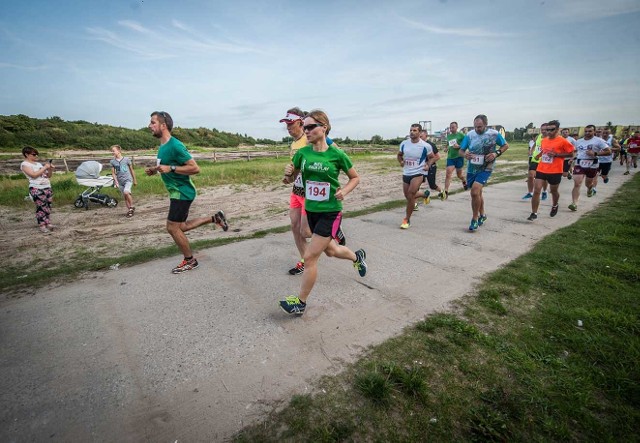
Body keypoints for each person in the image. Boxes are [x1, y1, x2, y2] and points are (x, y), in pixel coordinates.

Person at [279, 110, 367, 315]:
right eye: (305, 127)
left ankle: (300, 302)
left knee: (310, 257)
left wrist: (344, 191)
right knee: (332, 251)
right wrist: (287, 176)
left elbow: (355, 177)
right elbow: (293, 180)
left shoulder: (337, 155)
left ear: (324, 127)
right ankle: (357, 258)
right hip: (311, 210)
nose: (306, 131)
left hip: (331, 212)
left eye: (310, 127)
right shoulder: (303, 154)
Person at [144, 111, 229, 274]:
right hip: (176, 192)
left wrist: (172, 168)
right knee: (180, 226)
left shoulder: (175, 145)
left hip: (182, 193)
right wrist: (156, 170)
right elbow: (168, 166)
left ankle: (190, 260)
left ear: (163, 125)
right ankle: (215, 218)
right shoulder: (162, 147)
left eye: (153, 122)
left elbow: (195, 168)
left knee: (172, 228)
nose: (149, 126)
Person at [279, 107, 345, 276]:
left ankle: (333, 230)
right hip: (297, 190)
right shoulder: (294, 143)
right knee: (294, 226)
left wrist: (332, 180)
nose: (288, 127)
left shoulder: (312, 138)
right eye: (286, 124)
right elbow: (294, 171)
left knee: (306, 231)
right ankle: (304, 260)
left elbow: (334, 152)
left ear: (300, 123)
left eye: (290, 123)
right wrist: (288, 176)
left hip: (311, 194)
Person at [459, 114, 509, 231]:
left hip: (487, 167)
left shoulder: (494, 134)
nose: (477, 129)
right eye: (475, 127)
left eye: (480, 127)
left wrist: (496, 153)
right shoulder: (469, 135)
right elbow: (461, 151)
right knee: (478, 193)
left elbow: (505, 145)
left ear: (486, 125)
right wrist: (465, 154)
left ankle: (474, 219)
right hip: (472, 168)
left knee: (475, 192)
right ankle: (482, 215)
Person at [527, 120, 575, 220]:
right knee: (536, 190)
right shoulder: (544, 140)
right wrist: (538, 155)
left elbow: (571, 154)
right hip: (542, 168)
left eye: (551, 129)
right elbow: (544, 150)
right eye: (547, 129)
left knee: (553, 191)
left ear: (558, 129)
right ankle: (534, 213)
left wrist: (557, 155)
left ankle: (555, 205)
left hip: (555, 170)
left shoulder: (562, 141)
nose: (549, 132)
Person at [397, 124, 434, 229]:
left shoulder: (425, 146)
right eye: (411, 130)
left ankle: (407, 219)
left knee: (411, 193)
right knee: (408, 196)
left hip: (418, 172)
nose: (412, 132)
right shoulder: (404, 143)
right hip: (406, 172)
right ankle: (424, 194)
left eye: (414, 130)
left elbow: (432, 157)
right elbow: (399, 155)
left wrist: (428, 165)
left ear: (420, 132)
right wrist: (401, 161)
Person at [568, 124, 609, 211]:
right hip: (579, 163)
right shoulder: (579, 141)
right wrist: (572, 158)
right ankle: (574, 203)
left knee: (588, 184)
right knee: (577, 183)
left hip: (592, 164)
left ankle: (590, 188)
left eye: (590, 131)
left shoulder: (599, 141)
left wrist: (595, 154)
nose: (587, 133)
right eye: (586, 131)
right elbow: (576, 151)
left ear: (594, 131)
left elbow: (608, 151)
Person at [20, 146, 55, 234]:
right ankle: (42, 225)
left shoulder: (38, 164)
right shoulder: (25, 165)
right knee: (41, 207)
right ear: (26, 154)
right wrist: (45, 167)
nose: (36, 156)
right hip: (36, 188)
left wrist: (50, 169)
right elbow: (33, 175)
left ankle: (48, 222)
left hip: (47, 186)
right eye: (34, 154)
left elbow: (48, 176)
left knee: (48, 206)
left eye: (37, 154)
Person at [110, 144, 138, 217]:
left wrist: (135, 180)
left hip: (128, 180)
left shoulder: (126, 159)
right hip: (120, 181)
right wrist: (116, 181)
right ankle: (130, 211)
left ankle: (132, 206)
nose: (112, 152)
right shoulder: (113, 162)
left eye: (113, 151)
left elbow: (132, 170)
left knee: (126, 192)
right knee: (125, 197)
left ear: (119, 151)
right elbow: (113, 173)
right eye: (112, 151)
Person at [523, 123, 548, 200]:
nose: (543, 131)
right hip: (535, 159)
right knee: (530, 176)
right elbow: (535, 145)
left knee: (544, 178)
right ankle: (530, 193)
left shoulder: (549, 138)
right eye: (542, 129)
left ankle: (544, 191)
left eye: (545, 130)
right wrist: (531, 151)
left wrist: (539, 155)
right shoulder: (539, 136)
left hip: (544, 160)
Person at [420, 129, 446, 201]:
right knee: (416, 185)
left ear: (426, 136)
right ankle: (418, 203)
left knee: (432, 185)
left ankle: (442, 192)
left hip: (431, 167)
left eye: (421, 136)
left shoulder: (431, 145)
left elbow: (437, 156)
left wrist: (428, 164)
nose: (420, 137)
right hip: (421, 168)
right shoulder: (418, 145)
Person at [444, 121, 467, 197]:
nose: (451, 129)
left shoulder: (461, 135)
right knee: (448, 174)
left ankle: (463, 180)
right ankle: (446, 191)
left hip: (459, 157)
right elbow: (448, 144)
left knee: (459, 175)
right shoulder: (449, 136)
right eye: (450, 127)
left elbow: (466, 144)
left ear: (457, 127)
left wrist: (459, 146)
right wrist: (446, 148)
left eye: (453, 127)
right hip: (450, 157)